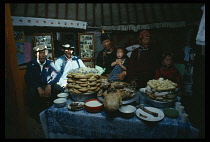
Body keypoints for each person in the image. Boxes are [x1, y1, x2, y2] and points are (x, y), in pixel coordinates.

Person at [24, 45, 60, 123]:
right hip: (36, 86)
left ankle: (57, 112)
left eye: (44, 53)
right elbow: (28, 78)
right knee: (31, 92)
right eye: (40, 53)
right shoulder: (31, 64)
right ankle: (36, 115)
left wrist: (49, 84)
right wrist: (38, 87)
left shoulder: (50, 63)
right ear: (35, 54)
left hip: (47, 85)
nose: (43, 55)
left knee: (59, 89)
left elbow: (56, 75)